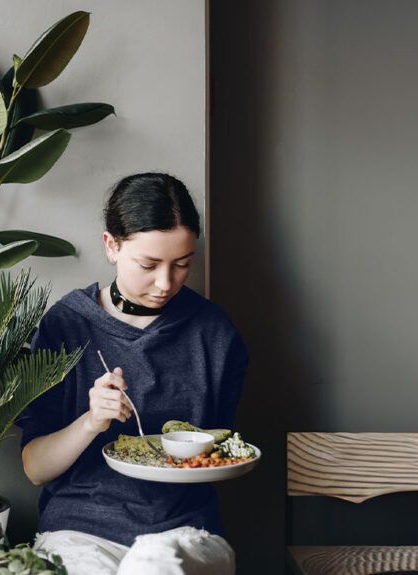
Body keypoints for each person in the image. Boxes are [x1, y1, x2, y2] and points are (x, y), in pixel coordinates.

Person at [15, 173, 248, 575]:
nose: (165, 283)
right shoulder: (66, 325)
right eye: (148, 264)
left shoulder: (215, 333)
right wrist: (90, 422)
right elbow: (36, 469)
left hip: (186, 532)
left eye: (182, 264)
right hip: (80, 530)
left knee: (154, 565)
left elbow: (218, 451)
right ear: (111, 246)